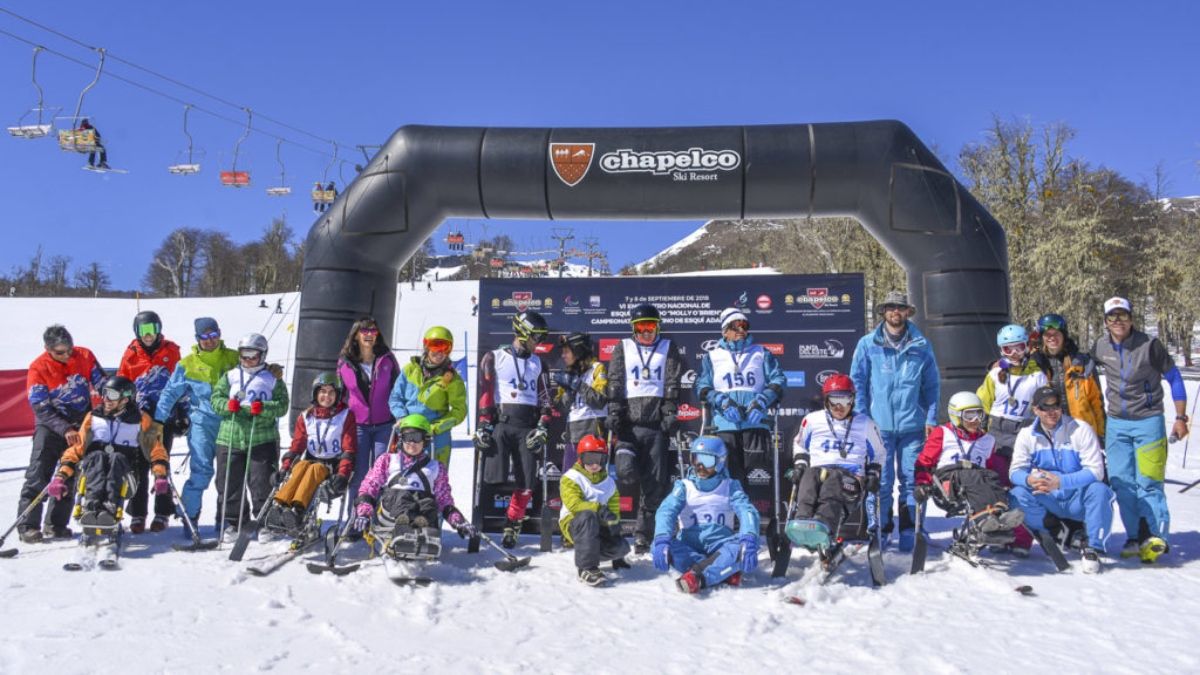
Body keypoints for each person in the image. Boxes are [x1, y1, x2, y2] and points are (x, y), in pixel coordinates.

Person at [1090, 296, 1187, 563]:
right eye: (1112, 317)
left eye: (1123, 316)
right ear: (1106, 321)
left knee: (1149, 483)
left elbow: (1174, 378)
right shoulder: (1100, 346)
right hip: (1117, 424)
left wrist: (1180, 417)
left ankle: (1156, 537)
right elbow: (1077, 362)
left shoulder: (1149, 345)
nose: (1118, 321)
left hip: (1148, 421)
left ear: (1131, 318)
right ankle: (1134, 536)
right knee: (1122, 483)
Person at [848, 290, 939, 551]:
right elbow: (858, 382)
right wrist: (864, 418)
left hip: (912, 427)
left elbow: (931, 385)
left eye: (900, 308)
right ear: (883, 312)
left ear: (907, 312)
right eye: (890, 308)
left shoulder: (921, 344)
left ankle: (911, 528)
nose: (895, 312)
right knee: (882, 481)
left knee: (912, 479)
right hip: (879, 428)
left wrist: (931, 416)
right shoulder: (868, 344)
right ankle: (882, 528)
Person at [1009, 386, 1113, 573]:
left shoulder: (1080, 429)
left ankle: (1093, 545)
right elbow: (1015, 471)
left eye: (1055, 406)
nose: (1052, 412)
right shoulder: (1026, 434)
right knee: (1017, 494)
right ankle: (1050, 532)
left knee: (1100, 490)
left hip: (1076, 498)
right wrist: (1029, 480)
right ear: (1035, 410)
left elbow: (1096, 471)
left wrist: (1061, 481)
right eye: (1045, 408)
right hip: (1048, 497)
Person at [16, 325, 105, 543]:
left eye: (69, 350)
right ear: (48, 349)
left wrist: (114, 398)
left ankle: (56, 524)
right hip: (51, 425)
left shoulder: (84, 355)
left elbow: (102, 383)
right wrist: (64, 428)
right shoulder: (38, 367)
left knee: (70, 472)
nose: (66, 355)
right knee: (39, 472)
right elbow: (40, 406)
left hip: (79, 421)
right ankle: (28, 525)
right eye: (60, 352)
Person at [46, 376, 168, 533]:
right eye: (105, 394)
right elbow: (78, 447)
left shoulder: (141, 420)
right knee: (97, 456)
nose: (107, 399)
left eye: (113, 395)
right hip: (94, 469)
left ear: (126, 399)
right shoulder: (93, 417)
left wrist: (160, 476)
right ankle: (92, 506)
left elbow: (156, 450)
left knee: (116, 457)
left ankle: (110, 507)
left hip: (126, 473)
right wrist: (60, 476)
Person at [607, 303, 684, 553]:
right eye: (641, 327)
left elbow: (672, 382)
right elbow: (615, 382)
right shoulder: (624, 347)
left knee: (654, 485)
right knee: (626, 473)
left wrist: (669, 414)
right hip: (628, 428)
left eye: (650, 327)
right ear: (633, 329)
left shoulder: (667, 347)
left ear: (657, 327)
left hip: (654, 428)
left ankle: (643, 535)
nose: (646, 332)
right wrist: (615, 413)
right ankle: (610, 531)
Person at [352, 414, 474, 571]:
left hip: (421, 509)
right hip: (390, 511)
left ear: (425, 441)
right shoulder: (388, 460)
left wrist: (458, 520)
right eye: (408, 437)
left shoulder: (435, 467)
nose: (412, 443)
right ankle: (405, 529)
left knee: (429, 502)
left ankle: (419, 531)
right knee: (404, 496)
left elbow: (444, 499)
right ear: (401, 438)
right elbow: (369, 485)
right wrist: (364, 512)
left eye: (417, 438)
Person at [154, 317, 240, 536]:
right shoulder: (187, 364)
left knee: (229, 473)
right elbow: (170, 393)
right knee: (201, 470)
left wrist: (271, 372)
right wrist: (157, 421)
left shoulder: (233, 358)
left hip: (230, 423)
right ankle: (189, 517)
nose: (210, 340)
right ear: (198, 338)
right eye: (205, 336)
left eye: (214, 335)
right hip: (202, 423)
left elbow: (255, 373)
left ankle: (227, 519)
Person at [474, 311, 553, 547]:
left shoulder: (539, 363)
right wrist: (483, 426)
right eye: (536, 337)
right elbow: (485, 394)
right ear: (524, 331)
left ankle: (513, 523)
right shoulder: (493, 357)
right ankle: (480, 520)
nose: (538, 343)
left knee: (528, 480)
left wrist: (542, 426)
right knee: (491, 476)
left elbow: (546, 400)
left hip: (527, 425)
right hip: (502, 422)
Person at [651, 436, 760, 594]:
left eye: (707, 460)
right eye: (696, 459)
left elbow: (747, 511)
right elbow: (666, 511)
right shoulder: (684, 486)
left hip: (722, 544)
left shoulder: (730, 486)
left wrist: (749, 537)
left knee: (743, 547)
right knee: (658, 546)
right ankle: (721, 572)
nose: (700, 466)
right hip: (689, 545)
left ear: (720, 461)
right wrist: (661, 537)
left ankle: (697, 578)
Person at [788, 373, 884, 551]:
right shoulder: (812, 420)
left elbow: (879, 453)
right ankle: (803, 521)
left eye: (845, 401)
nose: (839, 407)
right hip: (819, 473)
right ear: (826, 401)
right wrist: (800, 464)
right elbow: (800, 445)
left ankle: (822, 525)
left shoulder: (865, 424)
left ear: (853, 401)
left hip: (850, 481)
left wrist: (873, 473)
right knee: (809, 475)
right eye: (834, 401)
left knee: (834, 477)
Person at [977, 323, 1047, 556]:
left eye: (1019, 348)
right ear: (1001, 351)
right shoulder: (995, 374)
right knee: (996, 483)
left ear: (1027, 347)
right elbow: (981, 403)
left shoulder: (1037, 375)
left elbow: (1044, 404)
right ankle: (997, 534)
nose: (1014, 354)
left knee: (1020, 484)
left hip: (1024, 430)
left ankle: (1021, 538)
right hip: (997, 429)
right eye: (1008, 350)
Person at [210, 333, 289, 540]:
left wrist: (263, 407)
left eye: (253, 356)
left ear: (262, 355)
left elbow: (282, 405)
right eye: (244, 355)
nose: (248, 360)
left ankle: (265, 522)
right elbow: (216, 399)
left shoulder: (272, 378)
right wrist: (228, 406)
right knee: (229, 483)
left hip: (261, 437)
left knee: (261, 482)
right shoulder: (230, 376)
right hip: (231, 436)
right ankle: (236, 522)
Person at [915, 392, 1024, 539]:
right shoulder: (943, 433)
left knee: (991, 476)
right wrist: (922, 483)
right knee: (971, 475)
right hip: (949, 481)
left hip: (976, 476)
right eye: (969, 416)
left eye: (979, 415)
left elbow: (990, 468)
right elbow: (925, 460)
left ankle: (1001, 514)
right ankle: (983, 518)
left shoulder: (988, 440)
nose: (975, 420)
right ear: (956, 416)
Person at [696, 307, 787, 483]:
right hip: (725, 425)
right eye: (736, 326)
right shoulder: (712, 356)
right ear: (725, 330)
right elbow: (702, 386)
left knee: (757, 479)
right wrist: (721, 400)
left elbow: (779, 379)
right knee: (729, 478)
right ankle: (731, 511)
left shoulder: (760, 352)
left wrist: (762, 400)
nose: (742, 330)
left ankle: (758, 510)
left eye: (745, 326)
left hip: (755, 423)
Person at [266, 373, 356, 535]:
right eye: (322, 391)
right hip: (310, 461)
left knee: (314, 468)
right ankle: (280, 506)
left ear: (338, 395)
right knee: (301, 465)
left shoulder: (345, 416)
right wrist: (284, 468)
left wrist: (343, 475)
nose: (326, 396)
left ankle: (298, 511)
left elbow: (349, 449)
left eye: (331, 392)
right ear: (315, 393)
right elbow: (297, 446)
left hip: (332, 466)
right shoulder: (306, 417)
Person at [117, 311, 181, 534]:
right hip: (139, 417)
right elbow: (122, 383)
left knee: (161, 462)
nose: (149, 335)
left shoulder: (171, 351)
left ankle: (163, 511)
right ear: (137, 332)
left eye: (152, 330)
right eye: (144, 331)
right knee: (138, 465)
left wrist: (182, 411)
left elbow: (181, 381)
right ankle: (137, 513)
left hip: (165, 416)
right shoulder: (131, 354)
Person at [336, 316, 400, 501]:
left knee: (382, 472)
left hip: (385, 424)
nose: (369, 335)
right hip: (358, 425)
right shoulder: (345, 362)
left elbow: (398, 388)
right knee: (359, 472)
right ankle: (355, 518)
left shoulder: (387, 359)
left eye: (373, 331)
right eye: (364, 331)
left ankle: (377, 519)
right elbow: (340, 395)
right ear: (355, 335)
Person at [389, 326, 467, 467]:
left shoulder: (452, 379)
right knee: (403, 475)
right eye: (435, 345)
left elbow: (459, 411)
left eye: (446, 347)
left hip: (436, 436)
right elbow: (395, 397)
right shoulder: (410, 370)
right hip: (409, 431)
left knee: (436, 478)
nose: (440, 352)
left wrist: (436, 427)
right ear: (426, 346)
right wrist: (402, 417)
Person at [559, 434, 630, 587]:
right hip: (574, 523)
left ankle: (592, 553)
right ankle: (586, 568)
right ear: (581, 458)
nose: (594, 464)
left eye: (599, 459)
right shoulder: (571, 478)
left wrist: (613, 525)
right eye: (589, 459)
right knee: (588, 516)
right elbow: (574, 505)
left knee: (622, 547)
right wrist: (599, 509)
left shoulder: (609, 483)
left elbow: (614, 512)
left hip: (597, 526)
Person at [1030, 313, 1105, 435]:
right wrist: (998, 365)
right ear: (1042, 337)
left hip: (1081, 430)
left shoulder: (1082, 362)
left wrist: (1101, 434)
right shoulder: (1035, 363)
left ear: (1064, 335)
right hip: (1050, 431)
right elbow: (1014, 365)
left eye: (1056, 333)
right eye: (1048, 334)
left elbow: (1097, 401)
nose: (1052, 337)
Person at [551, 332, 608, 470]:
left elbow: (600, 400)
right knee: (569, 479)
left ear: (578, 351)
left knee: (591, 478)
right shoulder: (568, 372)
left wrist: (578, 384)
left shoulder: (597, 368)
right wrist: (569, 391)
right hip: (572, 433)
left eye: (566, 352)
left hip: (593, 430)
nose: (563, 356)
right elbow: (561, 407)